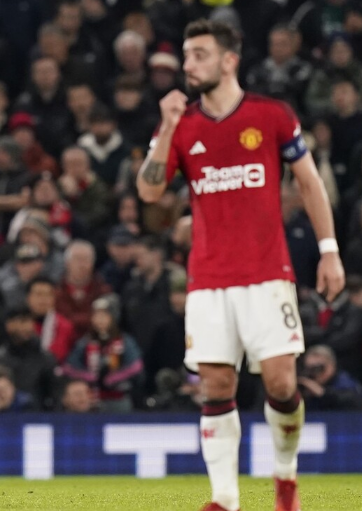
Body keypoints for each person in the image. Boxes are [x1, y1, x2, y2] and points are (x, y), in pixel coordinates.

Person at [137, 20, 345, 511]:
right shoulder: (182, 124)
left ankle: (285, 477)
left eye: (200, 54)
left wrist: (329, 249)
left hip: (267, 274)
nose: (189, 65)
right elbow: (149, 192)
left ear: (229, 60)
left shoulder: (271, 115)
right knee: (215, 385)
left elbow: (309, 183)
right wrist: (167, 128)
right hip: (208, 278)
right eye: (187, 55)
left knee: (282, 383)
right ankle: (225, 498)